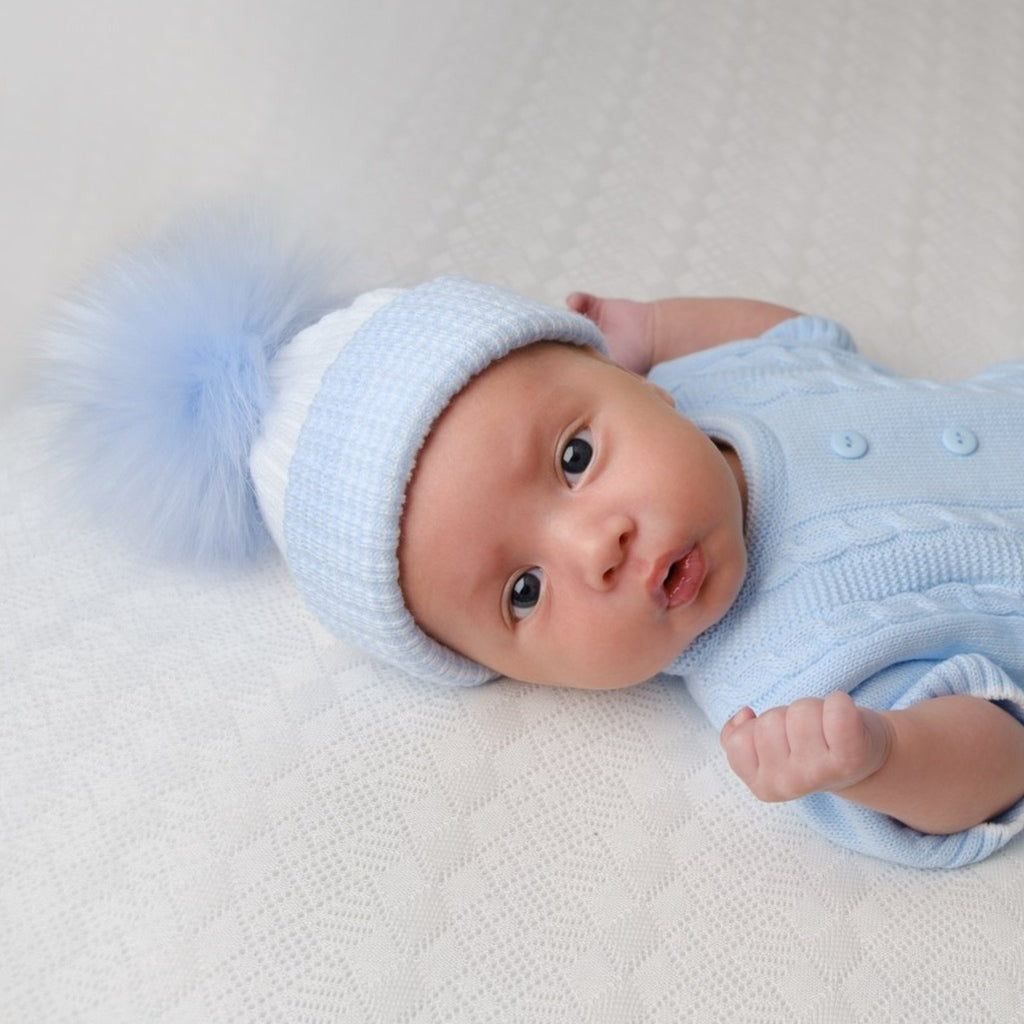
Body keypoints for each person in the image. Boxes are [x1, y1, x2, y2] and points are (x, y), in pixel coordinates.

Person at [45, 215, 1024, 868]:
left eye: (574, 454)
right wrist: (880, 754)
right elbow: (997, 751)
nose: (593, 549)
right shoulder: (789, 680)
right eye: (521, 592)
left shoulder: (728, 381)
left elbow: (796, 337)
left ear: (641, 382)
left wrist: (649, 322)